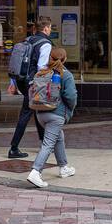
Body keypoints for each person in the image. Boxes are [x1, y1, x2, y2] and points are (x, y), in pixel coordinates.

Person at [26, 46, 77, 188]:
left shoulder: (41, 72)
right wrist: (70, 109)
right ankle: (36, 172)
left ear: (50, 58)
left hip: (40, 113)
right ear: (64, 59)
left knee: (58, 137)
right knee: (48, 143)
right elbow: (71, 96)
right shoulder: (65, 75)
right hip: (56, 115)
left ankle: (63, 167)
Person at [6, 18, 52, 158]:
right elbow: (41, 66)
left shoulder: (28, 40)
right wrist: (45, 83)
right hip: (33, 83)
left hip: (22, 81)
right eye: (50, 28)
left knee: (37, 109)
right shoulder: (45, 44)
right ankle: (14, 148)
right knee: (26, 114)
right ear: (45, 29)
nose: (50, 30)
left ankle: (45, 143)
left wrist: (13, 83)